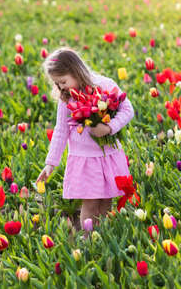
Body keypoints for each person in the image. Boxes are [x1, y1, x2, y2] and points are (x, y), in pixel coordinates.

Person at [36, 47, 134, 231]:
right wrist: (51, 163)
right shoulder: (67, 98)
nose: (61, 87)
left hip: (108, 155)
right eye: (57, 84)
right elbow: (61, 130)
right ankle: (88, 240)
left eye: (63, 81)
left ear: (75, 71)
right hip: (84, 160)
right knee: (89, 203)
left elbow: (127, 110)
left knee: (106, 201)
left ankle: (103, 235)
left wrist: (108, 128)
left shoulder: (104, 85)